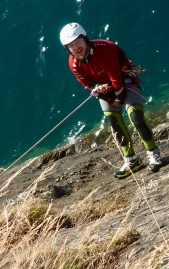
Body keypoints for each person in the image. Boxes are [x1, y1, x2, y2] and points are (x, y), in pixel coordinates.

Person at [60, 22, 162, 178]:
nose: (76, 47)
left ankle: (153, 153)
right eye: (71, 46)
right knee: (115, 123)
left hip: (125, 82)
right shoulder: (73, 63)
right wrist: (108, 98)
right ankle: (132, 161)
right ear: (67, 49)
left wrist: (118, 100)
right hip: (105, 89)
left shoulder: (103, 51)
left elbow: (117, 80)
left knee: (136, 117)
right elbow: (88, 86)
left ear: (85, 38)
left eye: (77, 42)